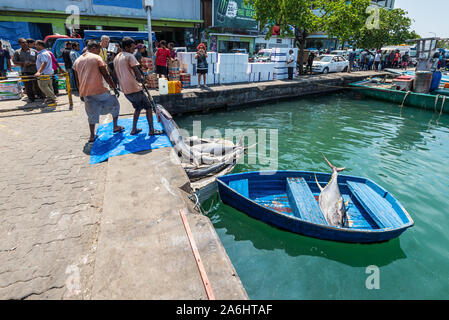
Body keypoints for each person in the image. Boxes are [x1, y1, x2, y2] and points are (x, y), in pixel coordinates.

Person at [72, 40, 124, 143]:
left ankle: (92, 135)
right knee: (115, 104)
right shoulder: (96, 58)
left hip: (86, 92)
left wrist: (80, 92)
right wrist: (113, 87)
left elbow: (77, 78)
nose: (100, 52)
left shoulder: (77, 60)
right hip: (98, 89)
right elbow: (105, 74)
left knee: (91, 114)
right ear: (94, 48)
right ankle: (115, 126)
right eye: (99, 50)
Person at [114, 37, 163, 136]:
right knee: (148, 107)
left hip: (125, 89)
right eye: (132, 47)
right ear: (127, 47)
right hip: (134, 88)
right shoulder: (129, 56)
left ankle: (133, 129)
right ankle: (151, 130)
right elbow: (136, 71)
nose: (134, 49)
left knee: (138, 108)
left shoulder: (116, 58)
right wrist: (143, 80)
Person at [34, 40, 57, 105]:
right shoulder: (46, 53)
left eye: (36, 45)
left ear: (40, 45)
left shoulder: (43, 54)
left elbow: (44, 63)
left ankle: (52, 97)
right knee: (49, 86)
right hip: (48, 72)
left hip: (44, 73)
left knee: (43, 86)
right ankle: (50, 98)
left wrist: (39, 72)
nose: (35, 46)